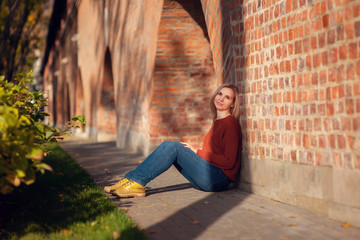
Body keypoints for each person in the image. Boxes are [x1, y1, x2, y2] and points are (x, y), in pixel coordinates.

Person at [104, 83, 242, 198]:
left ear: (232, 104)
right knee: (168, 145)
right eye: (220, 94)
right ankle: (130, 180)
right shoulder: (218, 122)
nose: (221, 98)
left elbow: (229, 161)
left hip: (218, 179)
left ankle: (136, 182)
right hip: (210, 176)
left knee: (175, 147)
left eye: (227, 97)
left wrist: (197, 152)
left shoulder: (230, 124)